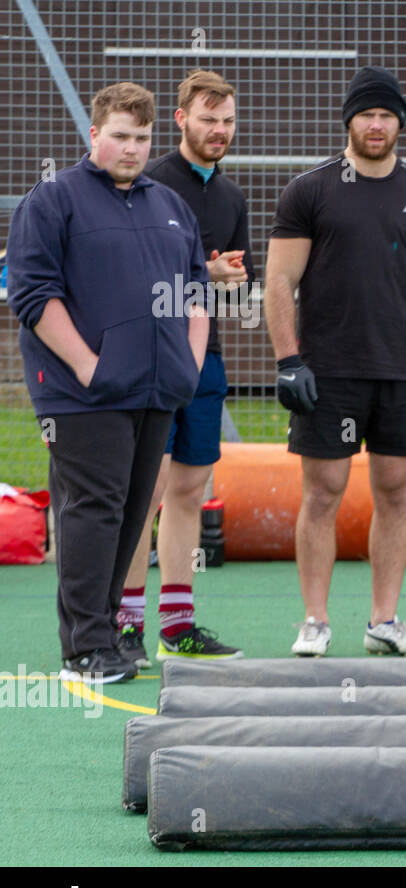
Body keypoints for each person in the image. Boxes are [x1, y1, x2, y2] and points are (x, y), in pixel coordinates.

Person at [263, 66, 406, 657]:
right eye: (366, 114)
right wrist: (287, 361)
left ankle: (384, 620)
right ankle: (314, 621)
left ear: (400, 122)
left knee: (397, 492)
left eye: (386, 115)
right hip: (328, 369)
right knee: (323, 490)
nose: (376, 125)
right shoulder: (310, 191)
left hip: (405, 370)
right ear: (348, 120)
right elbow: (279, 279)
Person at [8, 82, 208, 684]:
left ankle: (108, 632)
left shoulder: (168, 204)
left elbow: (196, 288)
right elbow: (33, 294)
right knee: (91, 510)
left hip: (156, 390)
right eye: (119, 136)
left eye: (142, 138)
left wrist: (188, 365)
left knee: (129, 513)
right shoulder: (53, 199)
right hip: (79, 392)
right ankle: (84, 648)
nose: (131, 148)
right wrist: (88, 365)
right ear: (94, 134)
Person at [115, 69, 251, 668]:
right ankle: (122, 625)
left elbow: (232, 297)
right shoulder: (145, 182)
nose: (218, 131)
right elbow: (127, 287)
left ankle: (177, 624)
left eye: (226, 122)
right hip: (146, 363)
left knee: (190, 492)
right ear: (180, 120)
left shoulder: (231, 196)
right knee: (143, 490)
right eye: (207, 120)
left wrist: (225, 284)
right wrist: (202, 276)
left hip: (206, 362)